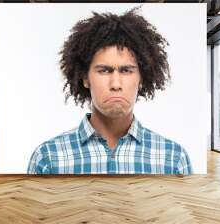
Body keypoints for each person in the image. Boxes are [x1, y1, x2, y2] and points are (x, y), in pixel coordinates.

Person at [27, 7, 192, 175]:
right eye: (104, 71)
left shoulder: (172, 159)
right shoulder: (48, 158)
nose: (116, 84)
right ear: (85, 78)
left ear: (141, 78)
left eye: (126, 70)